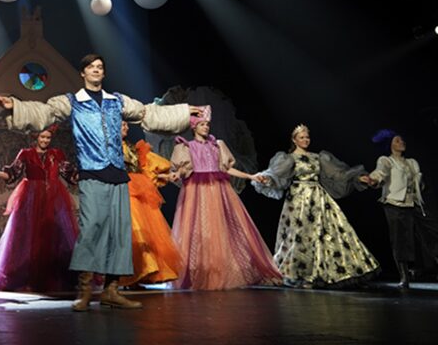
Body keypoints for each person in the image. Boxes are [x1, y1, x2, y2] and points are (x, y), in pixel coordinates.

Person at [0, 53, 197, 311]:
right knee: (91, 230)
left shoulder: (117, 101)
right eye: (91, 67)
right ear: (83, 73)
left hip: (117, 175)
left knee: (119, 232)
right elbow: (45, 112)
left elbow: (147, 113)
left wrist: (183, 112)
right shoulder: (73, 102)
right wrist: (15, 106)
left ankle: (112, 290)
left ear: (104, 73)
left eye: (100, 67)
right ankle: (86, 290)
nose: (96, 70)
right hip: (92, 173)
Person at [252, 124, 379, 288]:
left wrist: (358, 178)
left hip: (319, 198)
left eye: (307, 137)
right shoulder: (289, 158)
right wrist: (266, 178)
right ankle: (299, 273)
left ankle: (324, 273)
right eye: (302, 137)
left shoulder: (318, 157)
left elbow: (338, 174)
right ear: (294, 140)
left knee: (326, 233)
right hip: (298, 200)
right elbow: (276, 174)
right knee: (299, 235)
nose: (305, 140)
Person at [169, 107, 282, 290]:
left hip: (219, 191)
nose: (206, 127)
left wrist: (251, 176)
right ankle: (203, 271)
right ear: (194, 127)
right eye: (202, 124)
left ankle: (223, 269)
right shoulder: (186, 147)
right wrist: (176, 174)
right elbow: (183, 169)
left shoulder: (217, 145)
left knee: (222, 227)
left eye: (207, 125)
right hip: (197, 192)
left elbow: (227, 169)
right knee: (200, 230)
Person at [0, 125, 79, 293]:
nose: (45, 140)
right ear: (36, 138)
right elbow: (13, 173)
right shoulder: (26, 154)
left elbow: (70, 174)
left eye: (48, 138)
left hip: (54, 197)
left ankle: (55, 277)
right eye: (42, 137)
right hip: (30, 197)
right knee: (28, 235)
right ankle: (25, 276)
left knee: (55, 235)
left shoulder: (56, 154)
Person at [362, 129, 438, 288]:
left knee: (431, 233)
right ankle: (404, 277)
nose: (401, 142)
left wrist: (420, 185)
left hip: (413, 203)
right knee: (400, 240)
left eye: (402, 140)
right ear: (389, 145)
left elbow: (418, 182)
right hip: (394, 204)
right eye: (397, 140)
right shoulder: (386, 161)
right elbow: (380, 173)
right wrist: (373, 179)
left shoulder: (412, 162)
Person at [118, 120, 182, 287]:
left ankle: (145, 272)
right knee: (134, 229)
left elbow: (146, 170)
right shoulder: (108, 148)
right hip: (122, 189)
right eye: (121, 124)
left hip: (139, 189)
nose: (126, 127)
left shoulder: (134, 148)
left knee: (147, 229)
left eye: (126, 124)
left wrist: (166, 176)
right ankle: (133, 273)